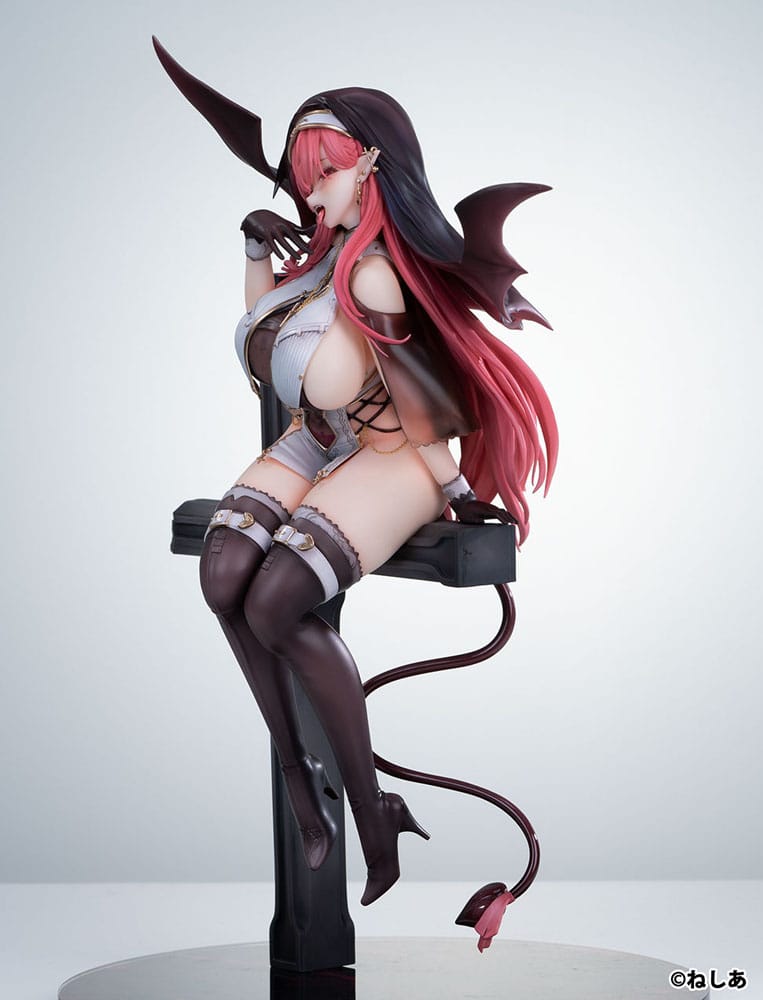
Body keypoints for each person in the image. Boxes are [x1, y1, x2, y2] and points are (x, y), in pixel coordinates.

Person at [155, 40, 557, 913]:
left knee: (274, 601)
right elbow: (269, 341)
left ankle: (370, 810)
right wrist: (254, 249)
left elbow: (419, 401)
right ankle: (300, 775)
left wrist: (458, 495)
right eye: (302, 178)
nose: (310, 193)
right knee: (223, 576)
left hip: (389, 453)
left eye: (324, 173)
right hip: (318, 440)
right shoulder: (315, 268)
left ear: (370, 164)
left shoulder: (372, 274)